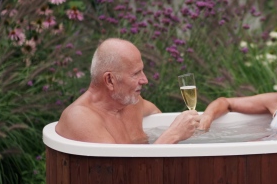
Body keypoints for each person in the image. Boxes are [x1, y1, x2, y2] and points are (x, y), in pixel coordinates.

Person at [56, 38, 201, 144]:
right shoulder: (81, 119)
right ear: (110, 80)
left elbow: (157, 116)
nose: (145, 80)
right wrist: (173, 135)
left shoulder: (132, 103)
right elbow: (121, 177)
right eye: (136, 73)